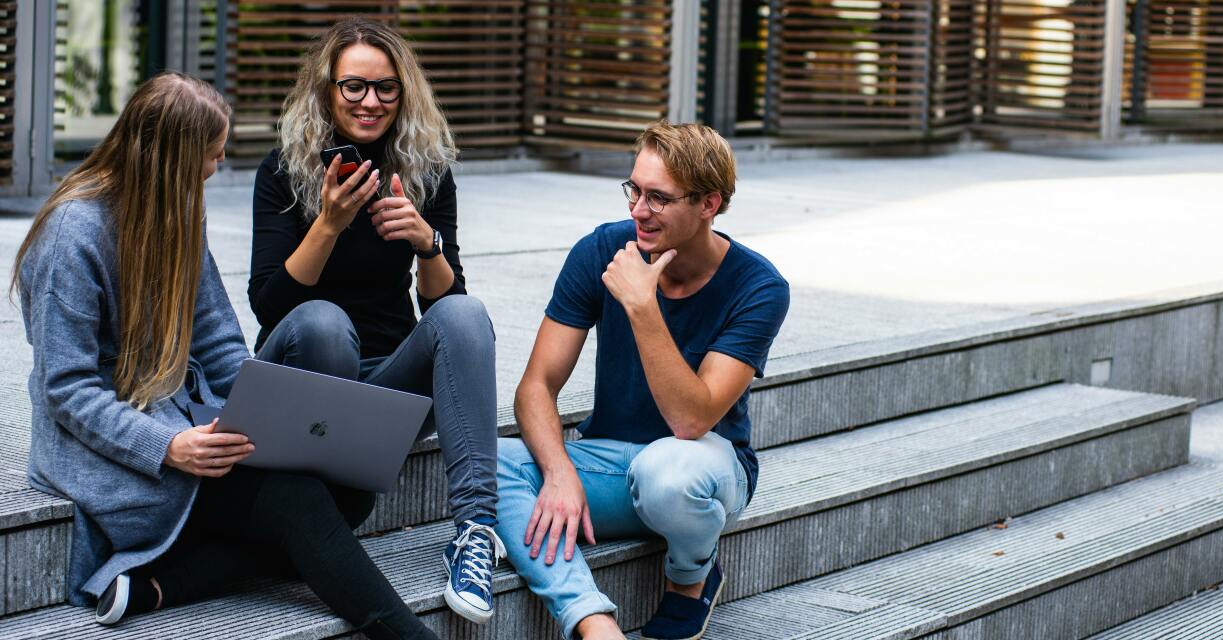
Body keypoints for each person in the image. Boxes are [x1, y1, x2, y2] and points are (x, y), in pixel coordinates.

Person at [13, 73, 439, 639]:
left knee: (350, 494)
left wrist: (257, 413)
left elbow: (217, 340)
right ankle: (407, 633)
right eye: (210, 156)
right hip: (107, 447)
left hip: (186, 424)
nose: (215, 168)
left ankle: (166, 584)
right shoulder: (73, 234)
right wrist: (167, 446)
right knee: (298, 501)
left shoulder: (179, 210)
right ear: (170, 157)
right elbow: (65, 390)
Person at [247, 18, 502, 624]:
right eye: (354, 86)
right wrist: (329, 223)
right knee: (325, 323)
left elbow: (447, 311)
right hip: (304, 372)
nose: (370, 102)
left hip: (386, 387)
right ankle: (317, 514)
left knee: (466, 314)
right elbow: (269, 306)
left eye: (386, 88)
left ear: (404, 92)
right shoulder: (283, 171)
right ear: (327, 90)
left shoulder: (425, 169)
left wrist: (427, 243)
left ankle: (475, 535)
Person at [495, 121, 790, 640]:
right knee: (488, 461)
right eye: (634, 189)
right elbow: (536, 386)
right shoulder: (603, 249)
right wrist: (560, 472)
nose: (637, 210)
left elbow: (691, 419)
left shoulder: (759, 286)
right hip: (609, 459)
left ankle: (690, 579)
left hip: (703, 467)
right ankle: (591, 619)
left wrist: (641, 305)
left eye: (658, 198)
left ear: (709, 204)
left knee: (668, 472)